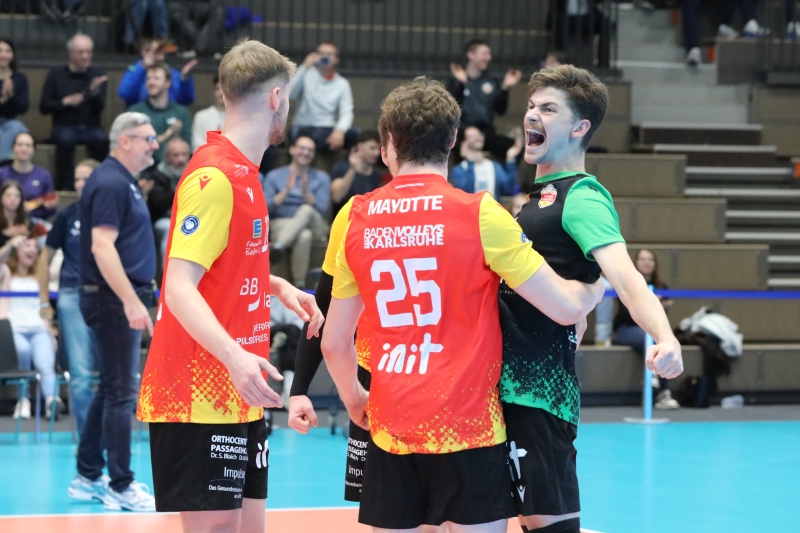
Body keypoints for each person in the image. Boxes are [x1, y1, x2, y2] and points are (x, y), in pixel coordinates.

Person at [319, 76, 603, 533]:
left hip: (392, 427)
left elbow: (334, 343)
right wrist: (595, 287)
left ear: (389, 142)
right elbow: (565, 309)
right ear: (452, 139)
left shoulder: (354, 216)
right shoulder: (482, 214)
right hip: (469, 429)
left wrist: (355, 399)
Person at [136, 40, 323, 533]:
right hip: (200, 391)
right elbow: (179, 286)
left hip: (240, 388)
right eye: (288, 98)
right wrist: (235, 356)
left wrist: (273, 285)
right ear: (277, 97)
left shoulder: (244, 172)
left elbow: (220, 267)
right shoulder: (215, 176)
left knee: (249, 527)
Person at [498, 65, 684, 533]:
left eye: (548, 109)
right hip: (505, 389)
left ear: (580, 128)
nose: (532, 115)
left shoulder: (582, 198)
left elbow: (626, 276)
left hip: (538, 395)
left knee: (549, 525)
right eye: (531, 106)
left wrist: (664, 337)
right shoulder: (539, 198)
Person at [67, 112, 159, 512]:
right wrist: (130, 300)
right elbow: (102, 246)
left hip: (113, 297)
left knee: (111, 388)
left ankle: (87, 475)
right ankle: (121, 484)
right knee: (122, 392)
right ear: (125, 141)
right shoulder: (110, 182)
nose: (154, 145)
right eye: (148, 138)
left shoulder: (123, 181)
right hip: (111, 299)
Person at [36, 159, 100, 433]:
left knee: (114, 374)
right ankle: (87, 441)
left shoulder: (113, 211)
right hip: (73, 294)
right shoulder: (68, 215)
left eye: (86, 178)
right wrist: (43, 302)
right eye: (77, 179)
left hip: (109, 296)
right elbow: (44, 258)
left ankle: (109, 439)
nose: (80, 184)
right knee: (81, 373)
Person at [39, 33, 109, 191]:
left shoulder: (98, 74)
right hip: (65, 124)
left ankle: (99, 184)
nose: (85, 56)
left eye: (88, 52)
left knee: (103, 140)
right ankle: (65, 186)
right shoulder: (56, 75)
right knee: (66, 140)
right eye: (80, 52)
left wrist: (95, 94)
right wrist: (64, 102)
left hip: (91, 125)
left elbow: (100, 108)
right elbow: (44, 107)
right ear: (71, 54)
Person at [0, 237, 59, 419]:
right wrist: (10, 244)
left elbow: (60, 267)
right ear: (17, 251)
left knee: (45, 363)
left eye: (35, 246)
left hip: (38, 328)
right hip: (15, 329)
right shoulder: (7, 273)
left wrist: (50, 332)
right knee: (23, 351)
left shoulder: (40, 276)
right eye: (27, 245)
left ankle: (52, 401)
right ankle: (23, 399)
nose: (32, 249)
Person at [261, 135, 330, 288]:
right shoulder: (275, 176)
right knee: (304, 235)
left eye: (310, 150)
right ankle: (300, 283)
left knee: (306, 210)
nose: (306, 153)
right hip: (282, 223)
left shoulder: (321, 177)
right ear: (292, 149)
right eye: (302, 148)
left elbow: (323, 210)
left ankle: (278, 246)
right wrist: (286, 190)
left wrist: (306, 194)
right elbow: (265, 208)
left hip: (315, 224)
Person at [613, 249, 678, 409]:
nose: (646, 262)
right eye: (642, 259)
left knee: (662, 342)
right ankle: (654, 375)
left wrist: (660, 306)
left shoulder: (661, 286)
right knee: (649, 338)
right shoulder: (628, 283)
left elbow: (661, 321)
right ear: (636, 262)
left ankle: (663, 393)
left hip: (649, 331)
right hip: (627, 329)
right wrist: (646, 305)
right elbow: (625, 315)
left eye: (650, 259)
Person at [447, 39, 522, 163]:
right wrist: (462, 84)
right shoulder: (456, 80)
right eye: (484, 54)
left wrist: (505, 88)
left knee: (514, 147)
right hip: (463, 134)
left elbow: (500, 110)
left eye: (489, 54)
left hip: (486, 134)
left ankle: (504, 173)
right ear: (471, 54)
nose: (488, 58)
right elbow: (451, 108)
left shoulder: (491, 82)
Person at [289, 42, 358, 151]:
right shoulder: (305, 75)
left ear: (336, 59)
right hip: (303, 126)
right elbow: (290, 94)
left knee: (355, 134)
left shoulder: (342, 84)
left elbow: (347, 112)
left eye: (329, 54)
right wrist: (304, 66)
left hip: (327, 129)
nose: (325, 57)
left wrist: (340, 130)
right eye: (321, 53)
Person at [128, 64, 192, 165]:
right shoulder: (136, 112)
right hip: (145, 168)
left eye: (156, 78)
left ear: (168, 83)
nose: (151, 82)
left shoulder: (180, 112)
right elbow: (135, 147)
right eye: (148, 79)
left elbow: (187, 146)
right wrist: (167, 136)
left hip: (174, 168)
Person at [142, 137, 190, 266]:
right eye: (176, 155)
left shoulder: (196, 173)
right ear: (168, 157)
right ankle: (167, 272)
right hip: (164, 219)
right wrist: (179, 190)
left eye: (184, 154)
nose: (181, 159)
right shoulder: (158, 175)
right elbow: (157, 205)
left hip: (190, 216)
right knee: (170, 228)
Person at [118, 39, 197, 107]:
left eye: (162, 53)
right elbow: (125, 94)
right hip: (138, 116)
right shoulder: (134, 70)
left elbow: (186, 100)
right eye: (156, 53)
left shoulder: (170, 73)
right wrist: (142, 68)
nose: (160, 57)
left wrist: (185, 79)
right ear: (144, 52)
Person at [450, 125, 521, 199]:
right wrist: (470, 163)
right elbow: (466, 192)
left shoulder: (494, 166)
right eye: (472, 136)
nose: (477, 138)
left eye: (479, 134)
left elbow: (510, 189)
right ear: (464, 142)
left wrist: (510, 159)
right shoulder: (459, 169)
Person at [0, 133, 58, 220]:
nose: (24, 149)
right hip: (4, 221)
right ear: (13, 148)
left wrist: (50, 206)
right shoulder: (2, 174)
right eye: (20, 145)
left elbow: (51, 209)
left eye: (28, 145)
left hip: (35, 221)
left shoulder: (44, 176)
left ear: (33, 150)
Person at [329, 129, 383, 217]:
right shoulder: (341, 168)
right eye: (372, 148)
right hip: (342, 219)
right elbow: (337, 198)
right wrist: (352, 169)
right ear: (359, 146)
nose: (377, 153)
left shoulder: (377, 176)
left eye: (378, 149)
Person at [0, 38, 29, 162]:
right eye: (0, 51)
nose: (4, 55)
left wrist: (11, 95)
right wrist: (3, 99)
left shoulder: (20, 78)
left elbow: (23, 107)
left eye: (8, 51)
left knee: (17, 128)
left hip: (11, 121)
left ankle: (4, 163)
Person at [0, 180, 40, 262]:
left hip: (20, 265)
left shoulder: (28, 224)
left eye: (17, 196)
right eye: (8, 195)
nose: (13, 199)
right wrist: (10, 241)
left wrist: (27, 235)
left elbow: (37, 252)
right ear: (1, 198)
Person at [191, 75, 225, 151]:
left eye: (224, 89)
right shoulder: (201, 116)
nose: (221, 93)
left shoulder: (237, 118)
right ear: (214, 91)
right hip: (207, 157)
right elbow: (196, 145)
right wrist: (214, 142)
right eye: (218, 89)